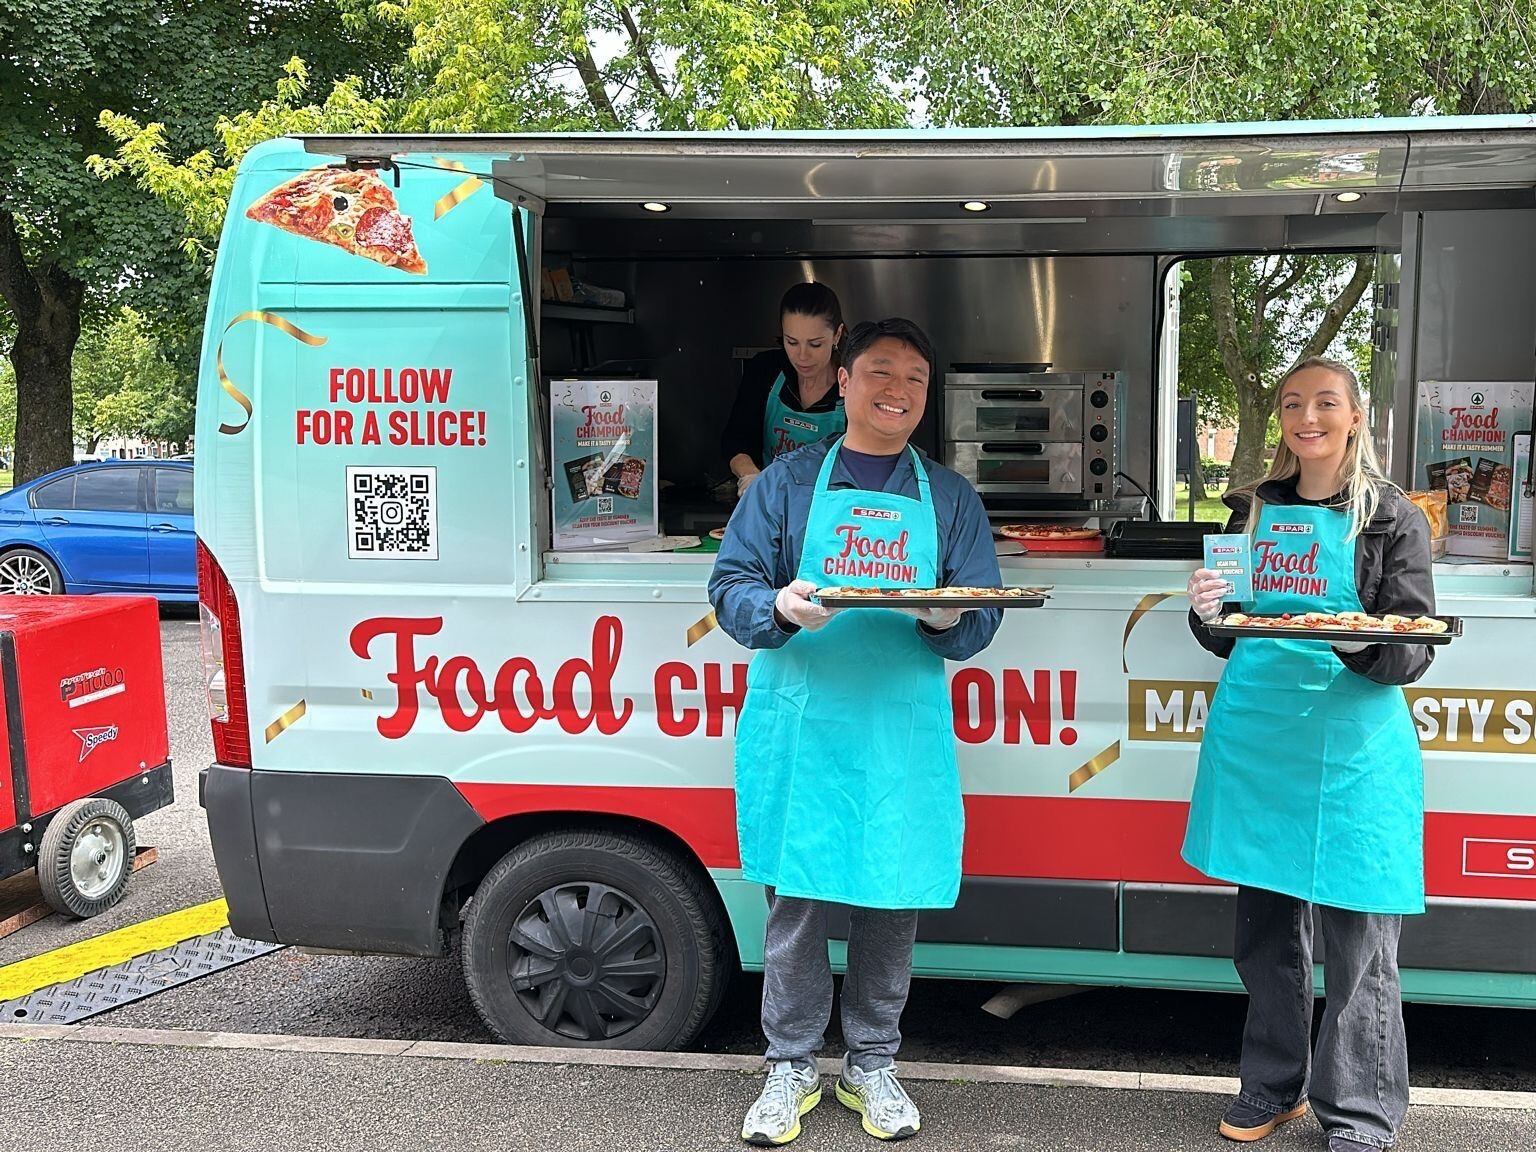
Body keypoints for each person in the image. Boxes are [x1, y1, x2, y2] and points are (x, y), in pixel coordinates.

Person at [709, 318, 1003, 1146]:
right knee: (796, 899)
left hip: (896, 731)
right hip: (803, 721)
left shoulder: (949, 497)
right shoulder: (787, 483)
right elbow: (730, 582)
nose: (896, 390)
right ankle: (790, 1064)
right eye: (879, 372)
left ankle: (872, 1061)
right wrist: (777, 606)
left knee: (890, 896)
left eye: (913, 376)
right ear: (843, 381)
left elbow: (980, 611)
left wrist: (944, 617)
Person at [1183, 357, 1435, 1152]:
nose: (1308, 417)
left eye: (1326, 403)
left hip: (1353, 747)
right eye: (1293, 403)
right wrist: (1208, 611)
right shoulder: (1249, 511)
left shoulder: (1392, 517)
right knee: (1265, 936)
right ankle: (1272, 1085)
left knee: (1359, 941)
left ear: (1355, 416)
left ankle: (1359, 1111)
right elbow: (1225, 635)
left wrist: (1359, 635)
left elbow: (1413, 646)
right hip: (1261, 742)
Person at [722, 282, 847, 496]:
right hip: (772, 501)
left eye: (815, 344)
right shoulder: (765, 370)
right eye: (792, 342)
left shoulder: (855, 383)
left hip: (831, 511)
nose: (802, 356)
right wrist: (751, 477)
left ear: (837, 334)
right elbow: (736, 440)